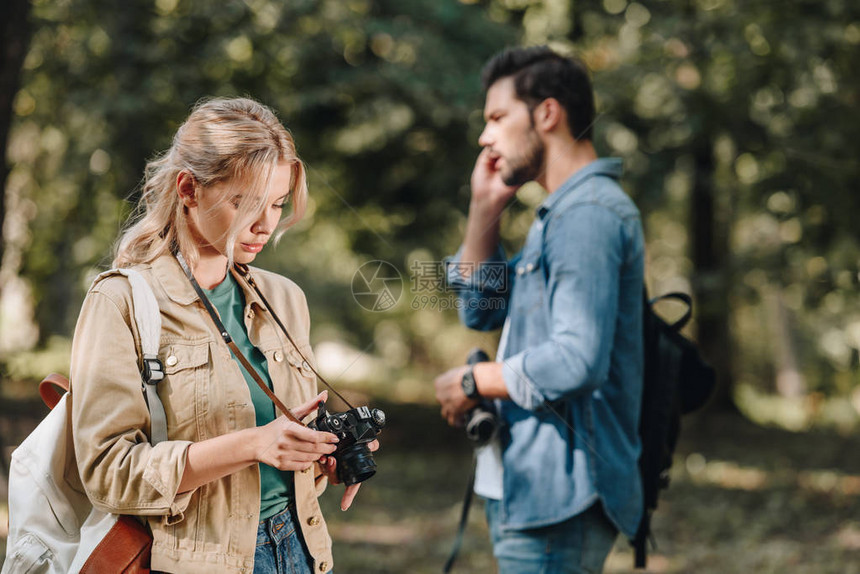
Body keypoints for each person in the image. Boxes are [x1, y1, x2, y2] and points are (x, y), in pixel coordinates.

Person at [69, 97, 372, 574]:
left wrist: (325, 456)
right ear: (188, 189)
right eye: (245, 203)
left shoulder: (284, 298)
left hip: (302, 550)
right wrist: (251, 444)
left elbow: (283, 452)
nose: (265, 225)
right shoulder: (121, 301)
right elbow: (107, 473)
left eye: (276, 204)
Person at [434, 46, 645, 573]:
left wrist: (473, 382)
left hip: (563, 491)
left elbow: (578, 360)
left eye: (498, 117)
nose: (485, 136)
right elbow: (481, 312)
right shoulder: (558, 214)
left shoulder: (587, 215)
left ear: (547, 113)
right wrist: (483, 210)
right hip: (534, 483)